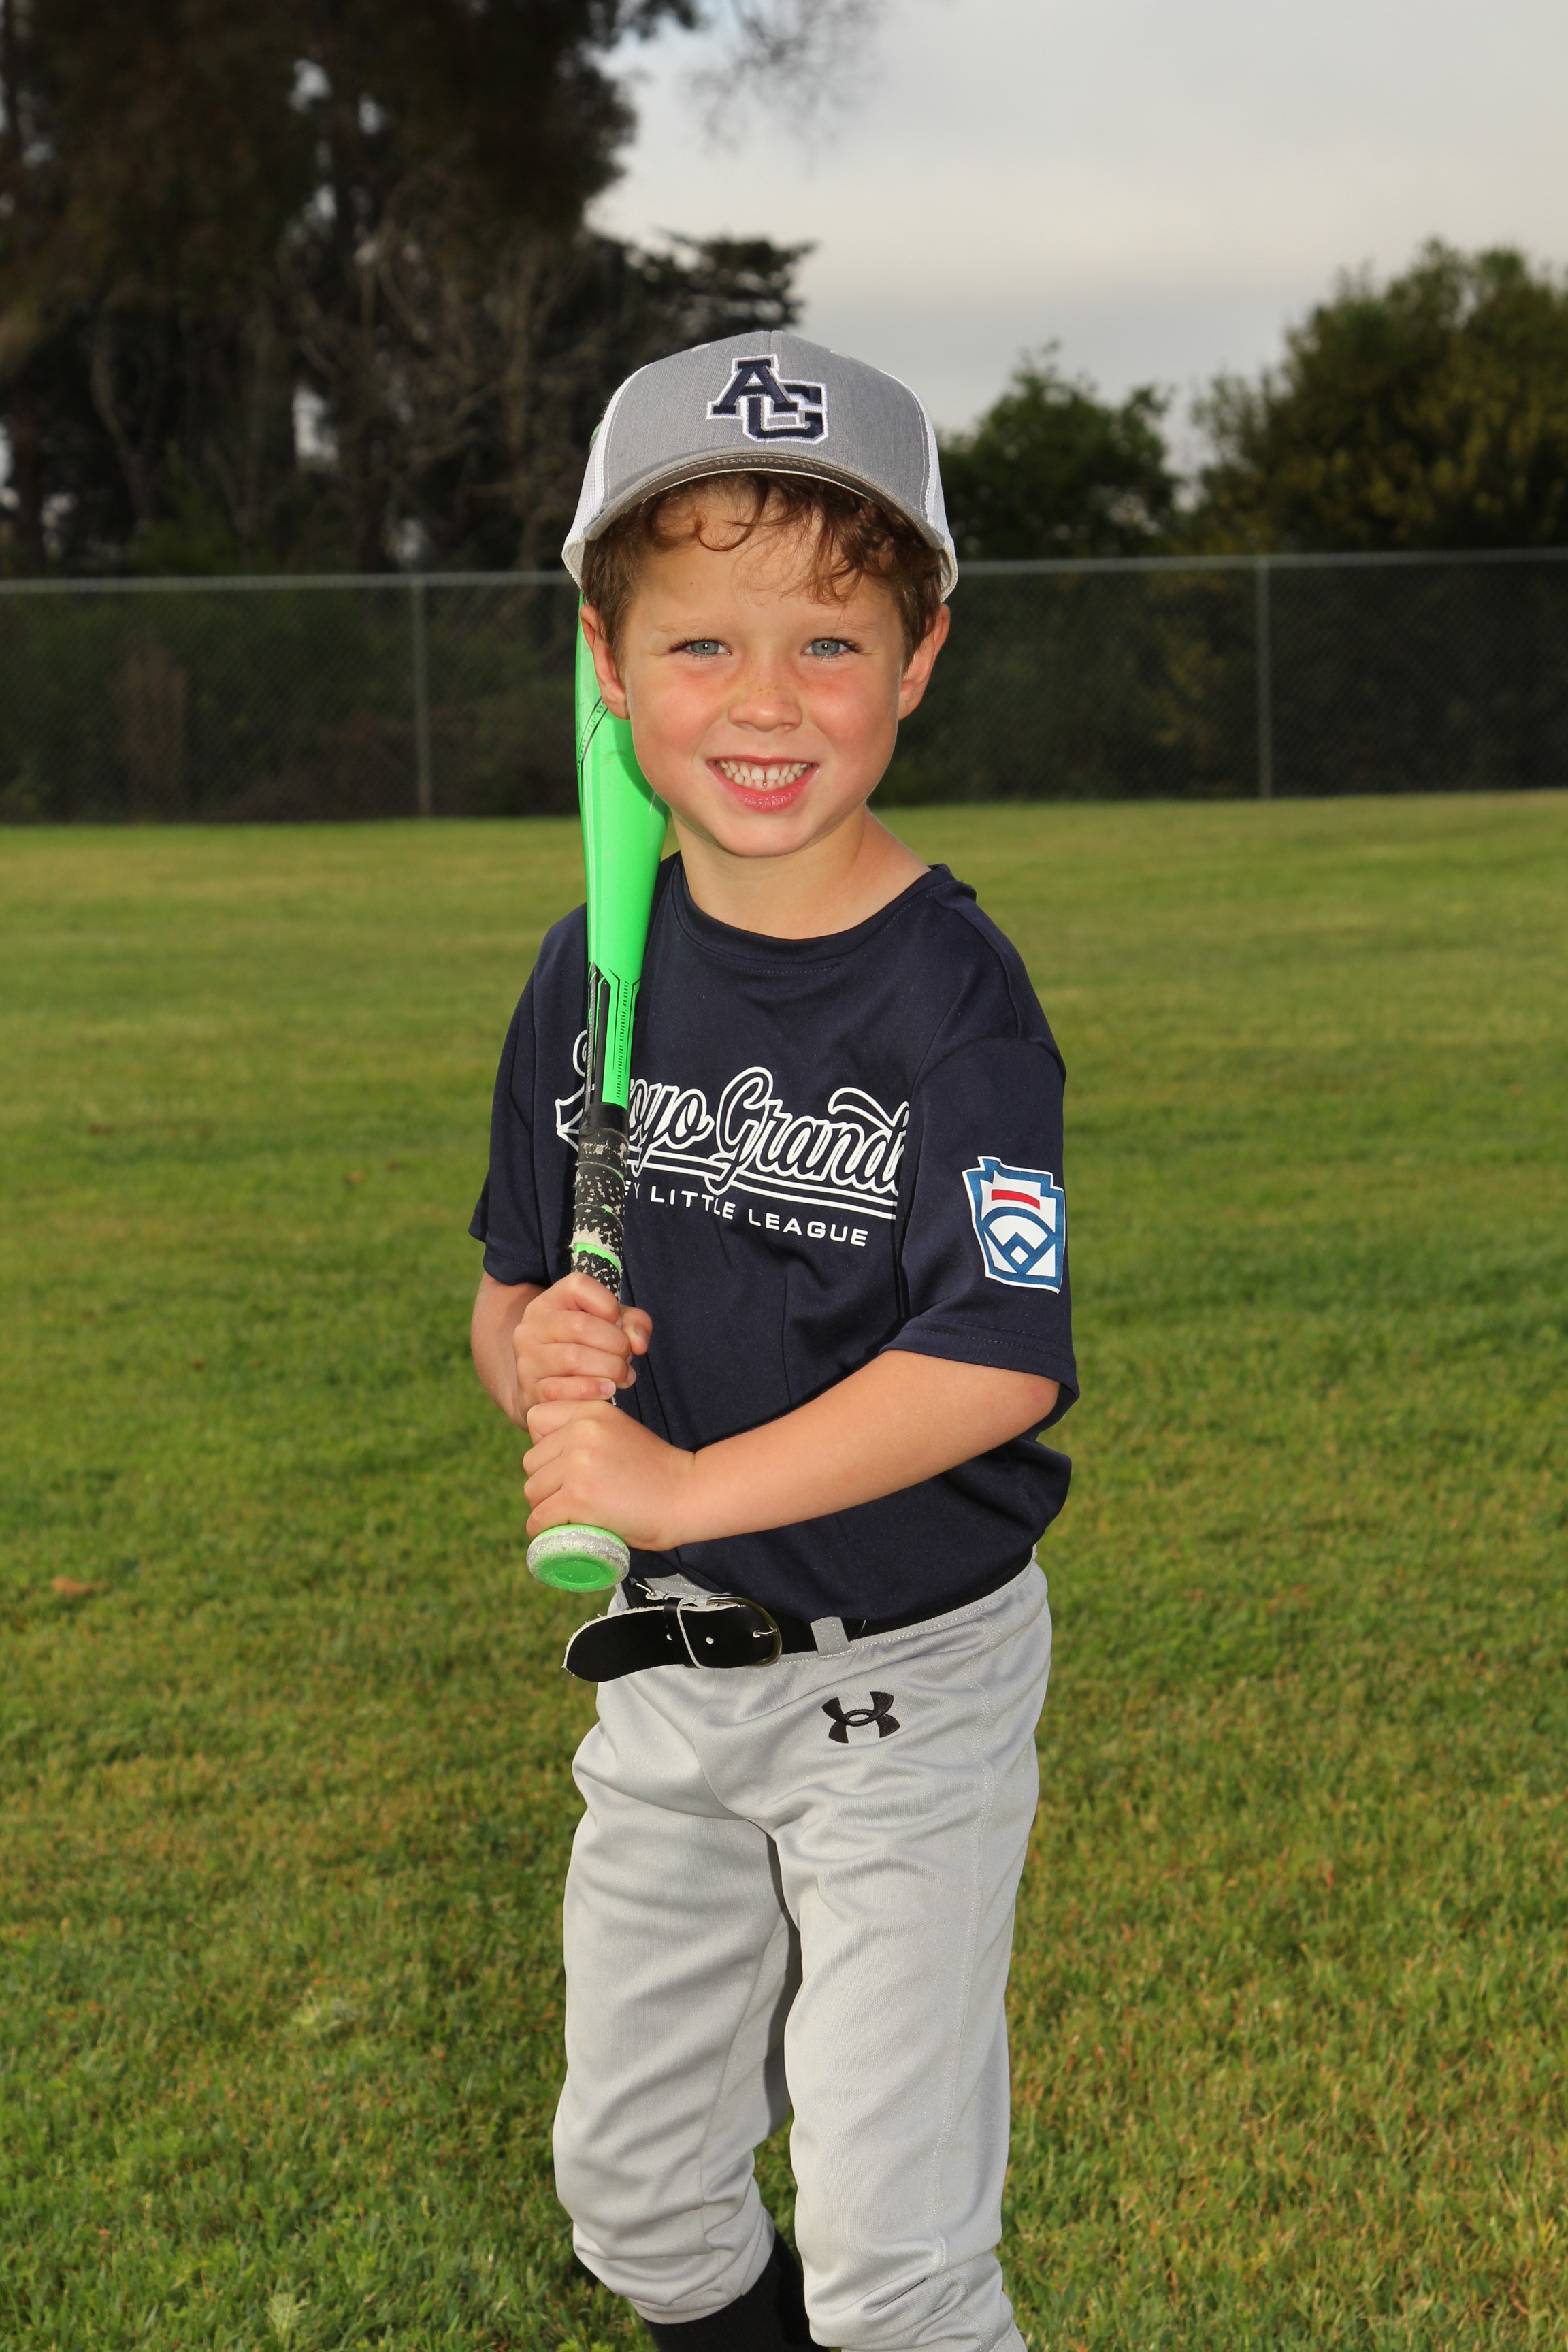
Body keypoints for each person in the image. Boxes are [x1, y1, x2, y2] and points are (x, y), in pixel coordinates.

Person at [469, 336, 1077, 2352]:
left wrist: (684, 1483)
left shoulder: (953, 998)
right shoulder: (590, 969)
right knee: (640, 2200)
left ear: (918, 660)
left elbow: (997, 1355)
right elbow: (510, 1292)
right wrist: (542, 1361)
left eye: (828, 643)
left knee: (897, 2269)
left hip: (907, 1679)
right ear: (606, 664)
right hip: (666, 1673)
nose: (763, 700)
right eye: (701, 644)